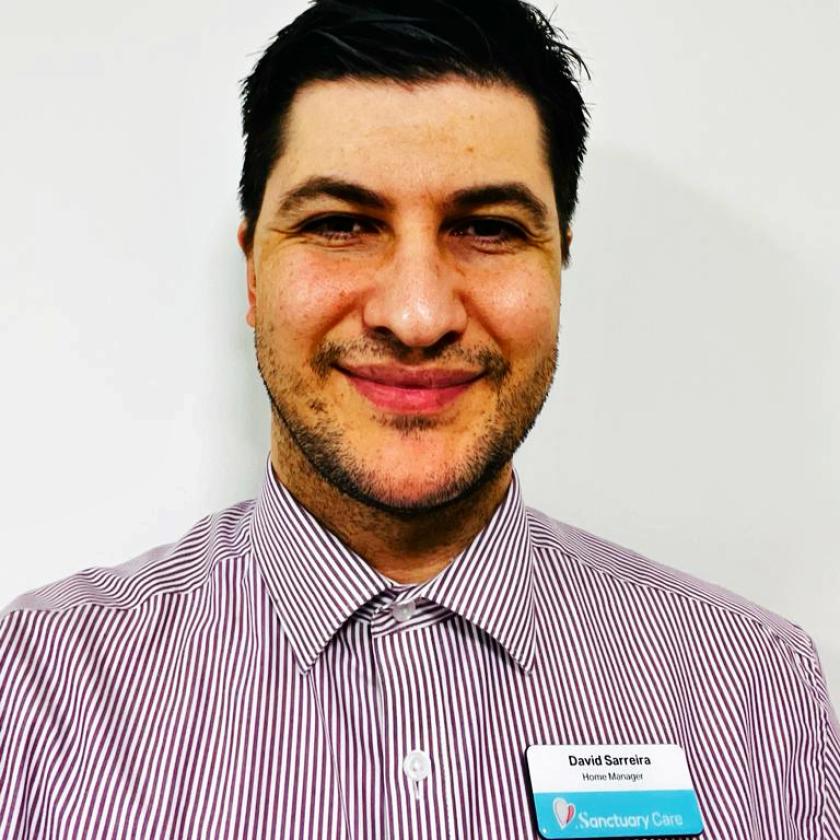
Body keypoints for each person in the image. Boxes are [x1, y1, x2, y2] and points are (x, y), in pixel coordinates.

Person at [1, 0, 837, 837]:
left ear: (561, 265)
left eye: (486, 228)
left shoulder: (761, 693)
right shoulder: (37, 691)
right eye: (340, 225)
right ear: (253, 275)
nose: (417, 313)